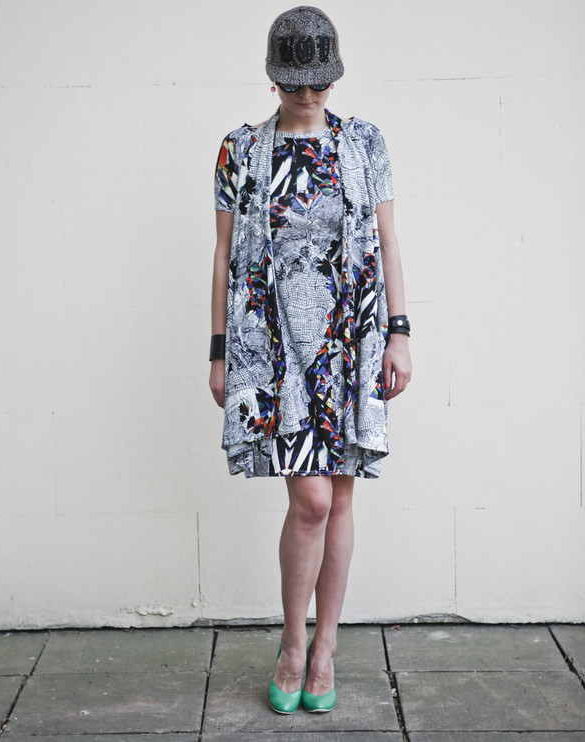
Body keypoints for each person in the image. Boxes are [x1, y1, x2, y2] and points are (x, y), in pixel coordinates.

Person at [209, 5, 411, 715]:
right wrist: (219, 352)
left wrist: (399, 331)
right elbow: (224, 257)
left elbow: (387, 242)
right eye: (294, 82)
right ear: (273, 78)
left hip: (351, 340)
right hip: (274, 347)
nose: (307, 94)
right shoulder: (240, 150)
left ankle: (325, 648)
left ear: (333, 77)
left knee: (342, 496)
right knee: (312, 500)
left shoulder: (364, 143)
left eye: (318, 82)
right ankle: (292, 643)